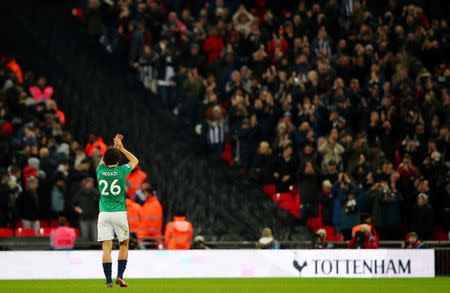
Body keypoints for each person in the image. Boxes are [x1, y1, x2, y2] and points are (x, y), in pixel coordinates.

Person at [97, 134, 139, 288]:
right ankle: (120, 276)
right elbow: (135, 161)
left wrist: (112, 149)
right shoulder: (122, 171)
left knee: (106, 248)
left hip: (104, 214)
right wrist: (121, 148)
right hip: (119, 214)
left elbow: (104, 160)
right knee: (124, 245)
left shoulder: (99, 170)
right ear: (118, 160)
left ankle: (108, 281)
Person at [72, 177, 98, 242]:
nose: (90, 184)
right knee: (85, 238)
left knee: (95, 237)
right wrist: (76, 208)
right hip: (83, 218)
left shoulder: (96, 193)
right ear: (85, 183)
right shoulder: (80, 192)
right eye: (89, 183)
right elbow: (74, 203)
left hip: (93, 218)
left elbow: (99, 205)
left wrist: (98, 215)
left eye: (91, 183)